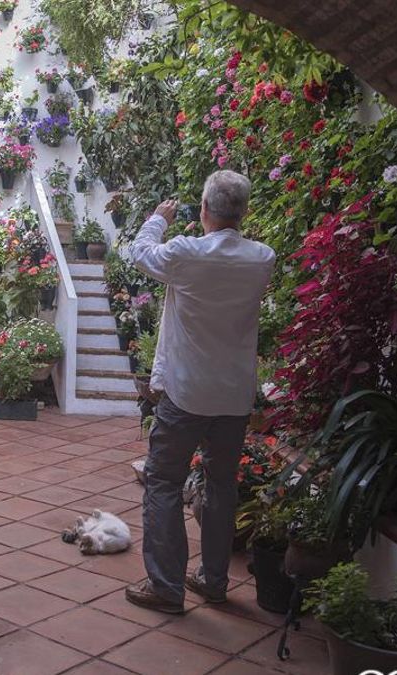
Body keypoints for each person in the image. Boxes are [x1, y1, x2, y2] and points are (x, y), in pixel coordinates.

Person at [123, 170, 276, 614]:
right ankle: (213, 579)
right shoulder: (261, 258)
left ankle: (167, 587)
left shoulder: (186, 254)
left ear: (205, 210)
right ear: (244, 212)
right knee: (222, 485)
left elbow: (139, 253)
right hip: (232, 396)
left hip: (185, 393)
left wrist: (158, 218)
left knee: (164, 481)